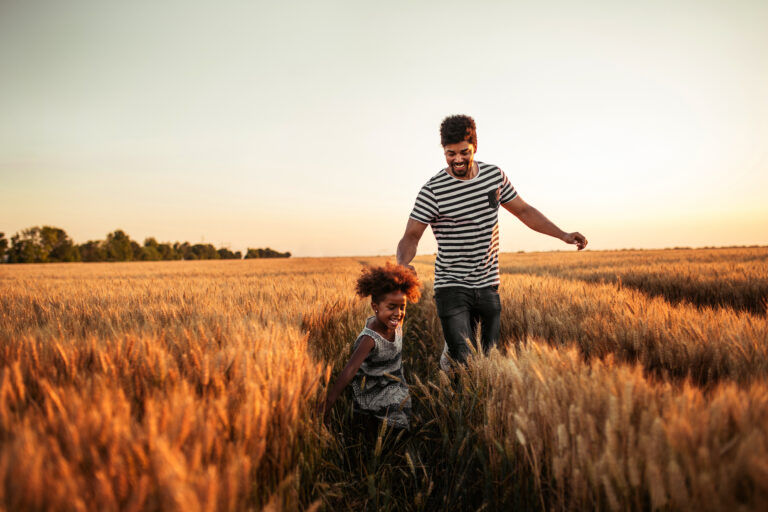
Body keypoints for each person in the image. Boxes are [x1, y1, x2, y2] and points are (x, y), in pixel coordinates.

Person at [396, 114, 587, 367]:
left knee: (487, 363)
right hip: (451, 285)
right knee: (464, 360)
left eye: (464, 152)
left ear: (475, 146)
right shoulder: (433, 190)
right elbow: (411, 235)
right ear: (443, 151)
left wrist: (562, 234)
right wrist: (402, 263)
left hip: (488, 285)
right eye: (450, 154)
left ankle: (453, 373)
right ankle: (453, 387)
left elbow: (524, 211)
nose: (458, 159)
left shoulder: (494, 177)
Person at [321, 262, 421, 432]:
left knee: (405, 421)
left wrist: (409, 278)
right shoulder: (370, 339)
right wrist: (329, 403)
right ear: (375, 307)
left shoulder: (396, 322)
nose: (398, 312)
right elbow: (350, 370)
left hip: (395, 386)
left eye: (402, 307)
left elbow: (401, 300)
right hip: (373, 392)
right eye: (391, 307)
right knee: (394, 430)